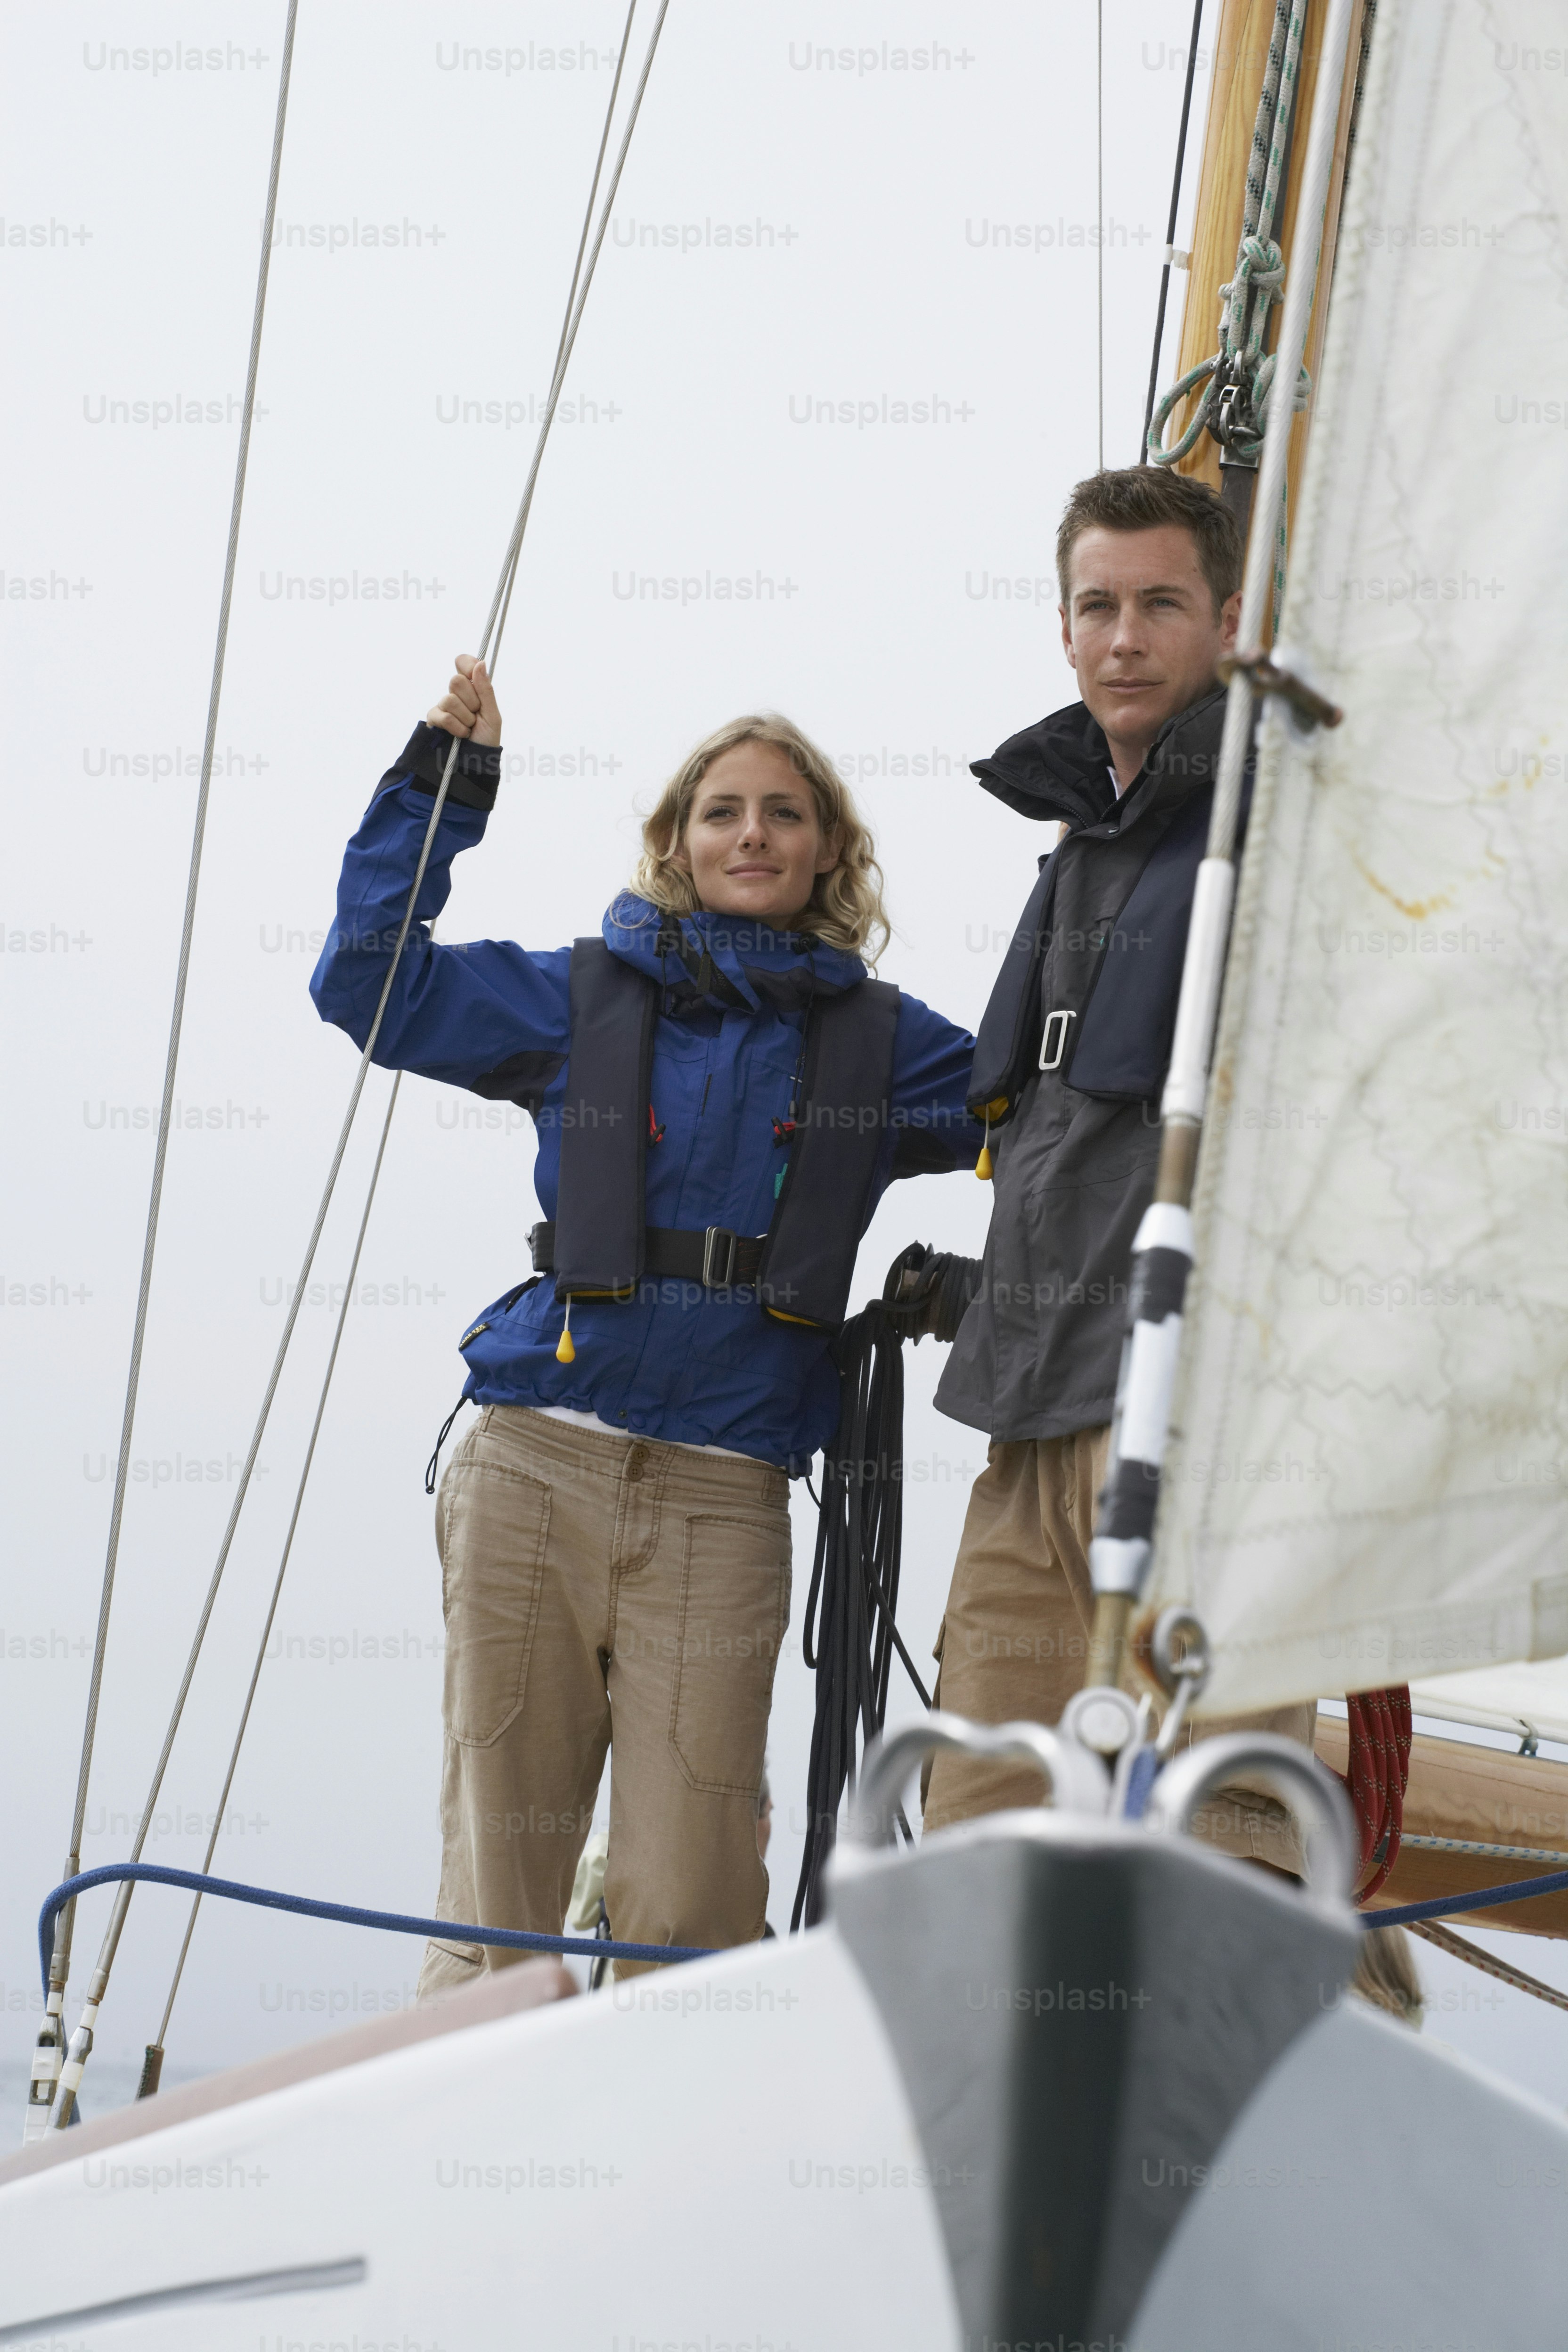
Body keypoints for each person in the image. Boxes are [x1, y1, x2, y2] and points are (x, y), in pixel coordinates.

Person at [310, 658, 977, 1984]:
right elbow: (367, 984)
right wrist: (444, 790)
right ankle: (471, 2155)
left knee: (691, 1907)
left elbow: (1047, 1101)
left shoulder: (885, 1046)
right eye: (722, 810)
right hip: (535, 1463)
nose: (752, 833)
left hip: (723, 1495)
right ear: (678, 840)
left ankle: (661, 2166)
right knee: (503, 1896)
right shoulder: (577, 997)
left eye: (784, 813)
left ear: (829, 848)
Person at [923, 466, 1315, 1869]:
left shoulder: (1287, 822)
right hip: (1028, 1421)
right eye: (1099, 607)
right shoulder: (1075, 849)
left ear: (1228, 621)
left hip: (1195, 1422)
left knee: (1226, 1846)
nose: (1126, 638)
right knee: (979, 1840)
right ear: (1065, 629)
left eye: (1161, 605)